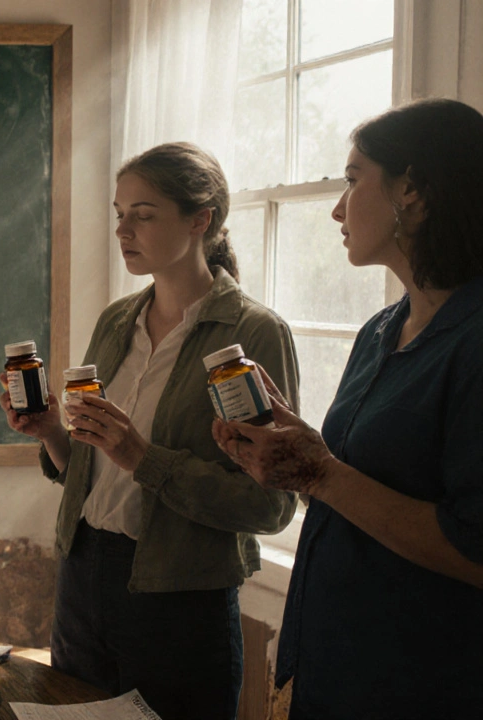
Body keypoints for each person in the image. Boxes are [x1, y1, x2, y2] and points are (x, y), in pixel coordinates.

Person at [2, 143, 299, 720]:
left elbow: (270, 506)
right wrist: (50, 433)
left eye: (143, 213)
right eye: (119, 213)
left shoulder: (254, 334)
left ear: (200, 219)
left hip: (181, 600)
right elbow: (90, 475)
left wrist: (143, 456)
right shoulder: (117, 321)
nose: (124, 229)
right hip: (83, 577)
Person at [212, 99, 483, 718]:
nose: (337, 207)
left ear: (410, 187)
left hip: (425, 685)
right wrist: (295, 459)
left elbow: (476, 547)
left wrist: (321, 473)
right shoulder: (380, 332)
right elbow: (355, 488)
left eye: (354, 178)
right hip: (333, 667)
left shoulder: (474, 340)